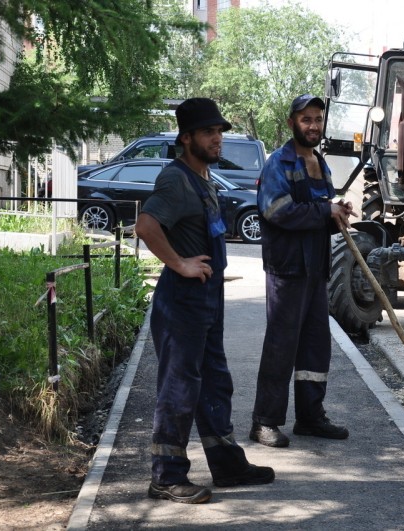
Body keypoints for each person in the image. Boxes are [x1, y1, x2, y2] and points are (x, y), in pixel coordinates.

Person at [135, 98, 274, 504]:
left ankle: (227, 465)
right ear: (187, 137)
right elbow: (145, 226)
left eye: (220, 132)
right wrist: (179, 263)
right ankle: (167, 476)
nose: (218, 139)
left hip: (207, 301)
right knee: (180, 388)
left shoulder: (205, 178)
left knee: (215, 382)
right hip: (182, 302)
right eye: (209, 132)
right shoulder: (176, 179)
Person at [248, 94, 357, 448]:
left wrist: (336, 212)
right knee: (282, 345)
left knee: (315, 346)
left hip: (316, 269)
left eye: (318, 119)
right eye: (306, 119)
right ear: (291, 122)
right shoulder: (277, 163)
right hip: (287, 268)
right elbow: (277, 212)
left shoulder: (319, 163)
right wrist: (324, 213)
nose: (313, 126)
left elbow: (317, 212)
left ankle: (310, 416)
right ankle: (264, 422)